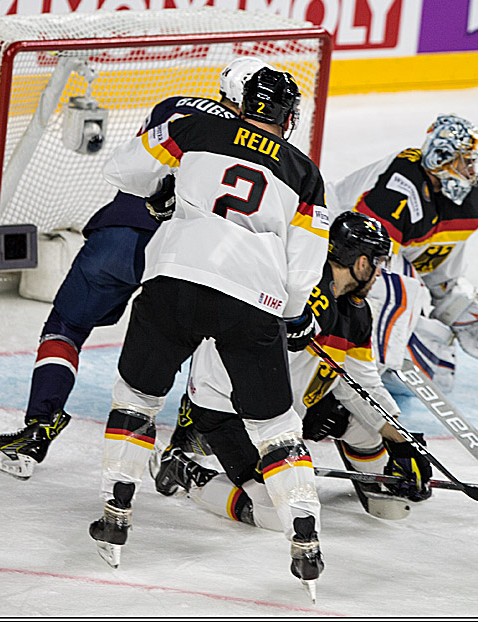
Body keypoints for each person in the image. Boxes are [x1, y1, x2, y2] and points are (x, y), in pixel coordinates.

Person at [86, 66, 330, 599]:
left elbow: (123, 169)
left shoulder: (193, 127)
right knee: (276, 428)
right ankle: (304, 537)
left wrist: (166, 189)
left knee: (137, 399)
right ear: (288, 118)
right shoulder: (307, 175)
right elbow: (301, 275)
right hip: (251, 298)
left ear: (240, 104)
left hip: (175, 276)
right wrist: (287, 311)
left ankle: (115, 510)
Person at [0, 56, 274, 480]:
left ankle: (37, 429)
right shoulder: (256, 142)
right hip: (186, 250)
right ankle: (189, 437)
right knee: (206, 335)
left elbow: (132, 167)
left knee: (66, 326)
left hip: (123, 230)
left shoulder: (173, 105)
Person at [151, 211, 433, 528]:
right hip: (229, 409)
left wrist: (402, 441)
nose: (380, 273)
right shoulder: (297, 287)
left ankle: (376, 484)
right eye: (378, 263)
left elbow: (362, 384)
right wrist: (276, 447)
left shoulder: (355, 313)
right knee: (274, 512)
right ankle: (183, 469)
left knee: (365, 428)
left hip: (285, 409)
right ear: (361, 262)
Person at [325, 114, 478, 395]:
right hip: (328, 247)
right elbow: (372, 264)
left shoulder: (466, 201)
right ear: (441, 157)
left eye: (473, 162)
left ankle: (373, 368)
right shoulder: (400, 182)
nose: (471, 171)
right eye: (464, 161)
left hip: (372, 264)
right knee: (400, 292)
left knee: (437, 371)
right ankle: (360, 382)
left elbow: (439, 269)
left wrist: (458, 304)